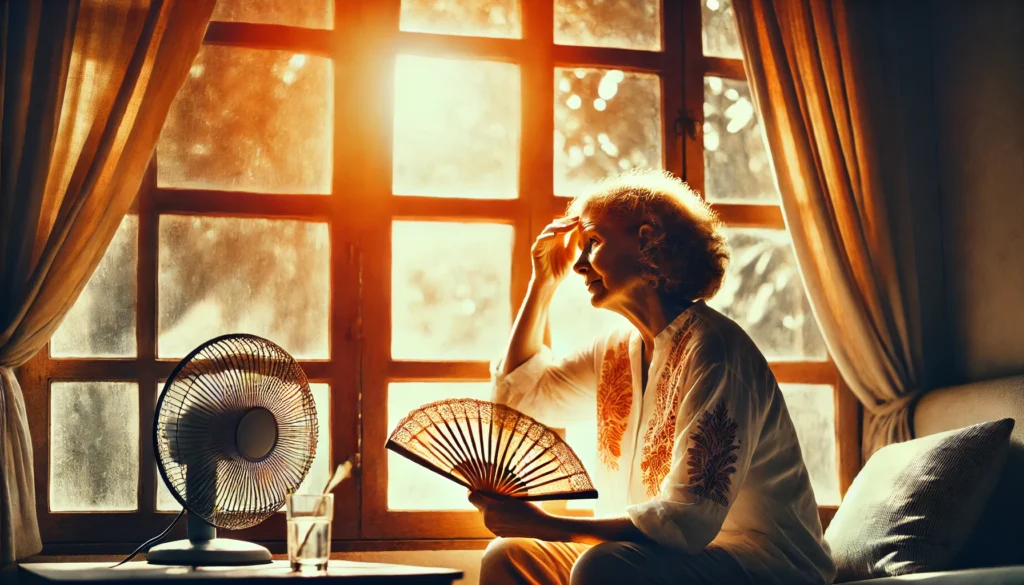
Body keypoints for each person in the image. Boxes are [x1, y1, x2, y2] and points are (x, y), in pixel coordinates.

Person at [468, 170, 836, 585]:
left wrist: (547, 525)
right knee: (508, 556)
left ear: (649, 243)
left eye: (592, 242)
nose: (579, 264)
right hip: (657, 554)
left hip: (763, 564)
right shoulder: (613, 348)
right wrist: (542, 284)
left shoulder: (715, 350)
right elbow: (521, 400)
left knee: (602, 565)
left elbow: (688, 520)